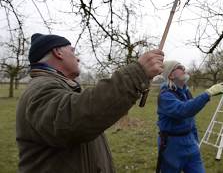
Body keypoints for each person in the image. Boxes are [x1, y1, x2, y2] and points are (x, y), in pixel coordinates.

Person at [16, 33, 164, 173]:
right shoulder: (40, 88)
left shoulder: (59, 87)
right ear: (57, 52)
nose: (78, 58)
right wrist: (137, 73)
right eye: (72, 51)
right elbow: (74, 119)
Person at [156, 60, 223, 173]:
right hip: (172, 146)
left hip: (190, 144)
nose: (184, 68)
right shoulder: (165, 96)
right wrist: (207, 94)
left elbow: (190, 118)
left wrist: (195, 140)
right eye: (179, 67)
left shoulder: (186, 92)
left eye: (183, 66)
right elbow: (183, 110)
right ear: (170, 74)